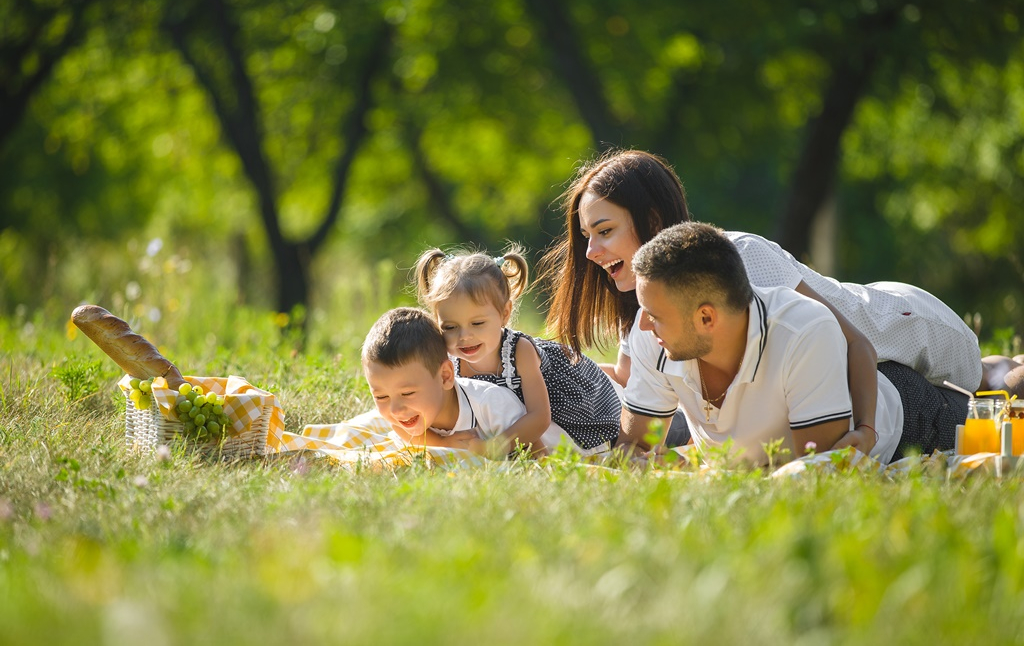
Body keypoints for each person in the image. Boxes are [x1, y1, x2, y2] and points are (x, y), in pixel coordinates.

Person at [540, 148, 1016, 454]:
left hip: (897, 326)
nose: (590, 252)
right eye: (587, 235)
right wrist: (541, 368)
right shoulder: (650, 303)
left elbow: (852, 343)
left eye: (604, 232)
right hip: (852, 366)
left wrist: (866, 431)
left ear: (652, 217)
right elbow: (633, 382)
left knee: (990, 383)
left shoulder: (740, 260)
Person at [621, 222, 969, 465]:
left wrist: (866, 428)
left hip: (910, 415)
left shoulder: (802, 330)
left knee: (997, 405)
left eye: (654, 314)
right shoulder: (654, 335)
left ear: (707, 319)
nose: (642, 324)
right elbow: (634, 450)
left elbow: (814, 471)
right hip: (833, 371)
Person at [415, 247, 621, 456]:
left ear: (504, 313)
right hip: (511, 423)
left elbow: (540, 417)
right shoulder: (449, 360)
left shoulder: (519, 351)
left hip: (561, 414)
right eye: (450, 327)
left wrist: (494, 447)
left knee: (560, 452)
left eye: (477, 323)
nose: (464, 337)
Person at [362, 307, 571, 457]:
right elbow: (400, 429)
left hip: (566, 442)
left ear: (445, 376)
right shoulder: (405, 414)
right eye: (381, 396)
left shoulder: (490, 403)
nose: (396, 409)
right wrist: (442, 443)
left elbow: (538, 450)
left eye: (407, 393)